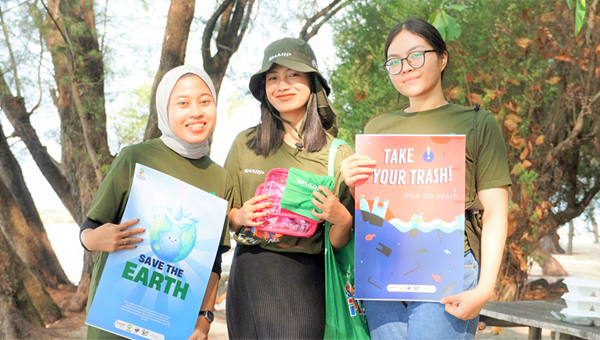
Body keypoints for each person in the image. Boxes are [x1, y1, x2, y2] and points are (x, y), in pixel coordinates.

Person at [341, 18, 511, 339]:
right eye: (394, 62)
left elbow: (496, 211)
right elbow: (369, 210)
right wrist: (352, 183)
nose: (405, 67)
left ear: (442, 58)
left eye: (416, 55)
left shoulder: (477, 123)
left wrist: (485, 289)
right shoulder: (377, 128)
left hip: (448, 267)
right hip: (383, 271)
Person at [79, 65, 232, 340]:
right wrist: (95, 239)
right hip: (114, 320)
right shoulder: (133, 157)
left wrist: (204, 320)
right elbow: (90, 228)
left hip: (173, 326)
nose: (196, 111)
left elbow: (213, 263)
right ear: (164, 109)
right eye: (183, 103)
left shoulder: (220, 178)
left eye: (205, 101)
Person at [224, 37, 354, 339]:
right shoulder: (245, 144)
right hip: (247, 273)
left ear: (313, 82)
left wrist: (341, 218)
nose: (282, 85)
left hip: (303, 279)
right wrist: (240, 216)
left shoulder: (337, 154)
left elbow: (338, 243)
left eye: (293, 75)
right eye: (273, 78)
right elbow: (222, 216)